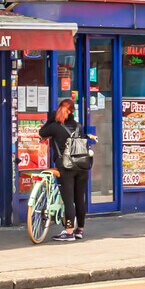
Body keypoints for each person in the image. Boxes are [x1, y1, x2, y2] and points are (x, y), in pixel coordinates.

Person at [36, 96, 91, 240]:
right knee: (79, 198)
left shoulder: (55, 127)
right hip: (82, 166)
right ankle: (79, 230)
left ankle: (68, 231)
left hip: (66, 166)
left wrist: (52, 117)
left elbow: (42, 133)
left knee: (68, 200)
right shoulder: (79, 126)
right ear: (73, 112)